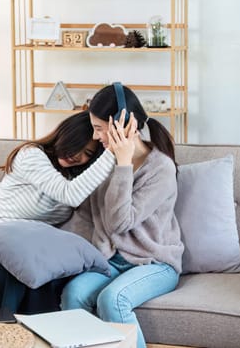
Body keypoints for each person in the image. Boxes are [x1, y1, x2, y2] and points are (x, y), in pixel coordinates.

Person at [0, 110, 137, 314]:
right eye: (75, 145)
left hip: (27, 249)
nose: (78, 156)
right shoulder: (31, 154)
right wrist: (112, 151)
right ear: (63, 135)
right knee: (12, 276)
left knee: (46, 277)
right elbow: (69, 194)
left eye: (87, 154)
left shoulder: (77, 178)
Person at [60, 84, 184, 348]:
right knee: (73, 293)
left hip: (155, 263)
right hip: (110, 260)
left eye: (99, 128)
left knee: (112, 299)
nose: (95, 136)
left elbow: (120, 222)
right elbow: (87, 214)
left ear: (123, 124)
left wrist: (124, 164)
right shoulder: (104, 160)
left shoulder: (161, 169)